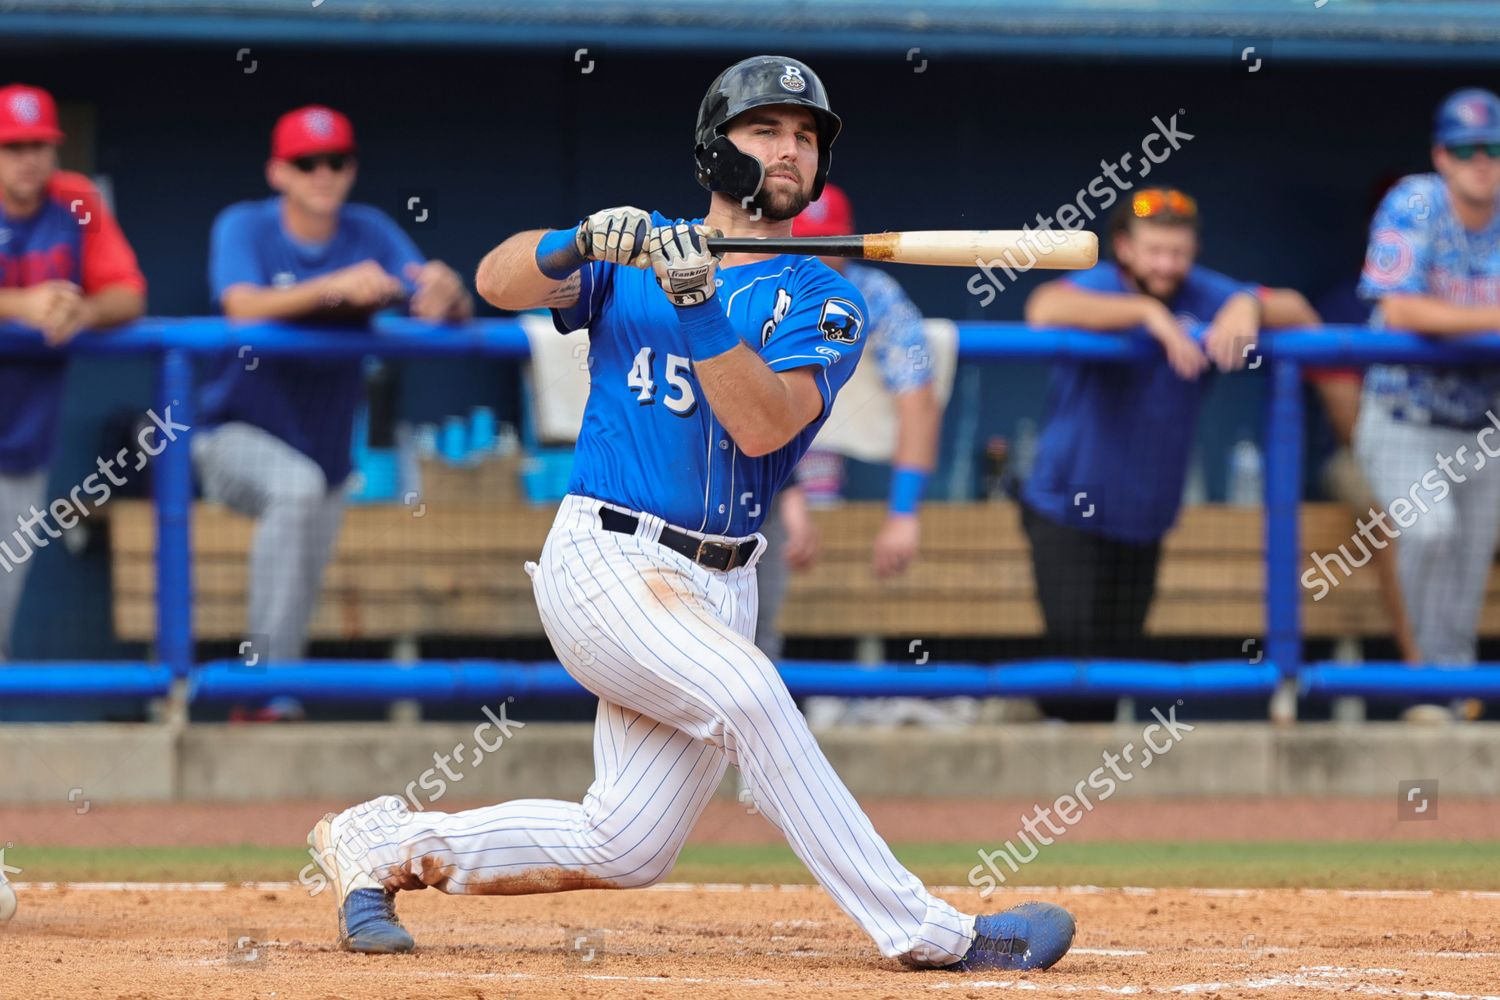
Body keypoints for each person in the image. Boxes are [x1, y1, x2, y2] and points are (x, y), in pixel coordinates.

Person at [308, 56, 1075, 973]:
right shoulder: (629, 258)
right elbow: (495, 279)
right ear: (718, 146)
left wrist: (700, 304)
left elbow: (762, 427)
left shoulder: (825, 299)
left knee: (625, 844)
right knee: (754, 697)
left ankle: (381, 844)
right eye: (767, 130)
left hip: (722, 581)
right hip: (607, 559)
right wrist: (577, 242)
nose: (789, 150)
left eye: (805, 136)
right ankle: (930, 935)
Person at [194, 105, 470, 665]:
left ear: (351, 169)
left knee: (303, 584)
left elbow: (434, 303)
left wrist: (450, 295)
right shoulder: (244, 223)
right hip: (231, 434)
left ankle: (272, 701)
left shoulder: (369, 230)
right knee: (293, 489)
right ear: (278, 172)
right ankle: (263, 684)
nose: (322, 173)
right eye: (306, 162)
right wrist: (332, 289)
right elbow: (241, 306)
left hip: (324, 449)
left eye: (336, 161)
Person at [1021, 188, 1260, 668]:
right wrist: (1148, 315)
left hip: (1144, 521)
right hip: (1068, 512)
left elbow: (1299, 310)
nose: (1167, 264)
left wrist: (1246, 307)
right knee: (1076, 673)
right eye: (1155, 250)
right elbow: (1042, 307)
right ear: (1126, 247)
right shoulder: (1106, 283)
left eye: (1178, 252)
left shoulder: (1204, 292)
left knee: (1119, 671)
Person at [754, 183, 943, 678]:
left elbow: (918, 394)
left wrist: (903, 511)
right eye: (806, 241)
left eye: (830, 243)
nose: (817, 255)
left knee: (768, 642)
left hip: (834, 486)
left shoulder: (874, 293)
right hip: (742, 477)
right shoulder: (753, 276)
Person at [1354, 87, 1500, 667]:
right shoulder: (1414, 203)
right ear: (1442, 157)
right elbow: (1400, 309)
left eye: (1493, 147)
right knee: (1428, 530)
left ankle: (1448, 693)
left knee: (1468, 569)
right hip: (1403, 420)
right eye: (1467, 150)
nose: (1482, 161)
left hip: (1483, 426)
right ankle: (1421, 676)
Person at [0, 82, 146, 660]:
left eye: (41, 145)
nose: (31, 159)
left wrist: (84, 309)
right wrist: (21, 305)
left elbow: (130, 294)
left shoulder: (76, 200)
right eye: (14, 147)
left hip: (22, 445)